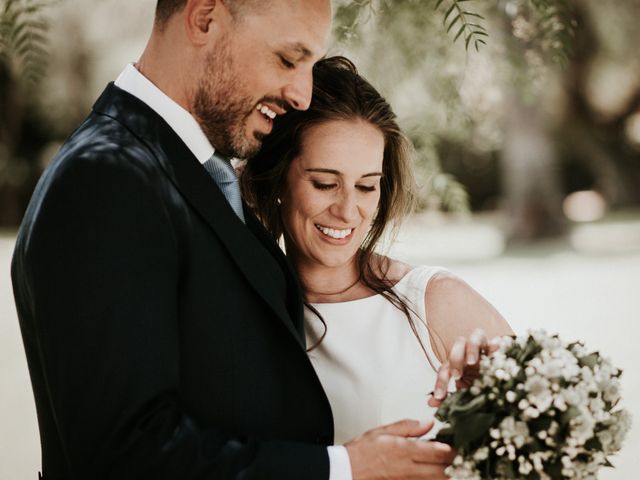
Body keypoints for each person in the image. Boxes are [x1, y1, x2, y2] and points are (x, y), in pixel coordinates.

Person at [11, 2, 456, 479]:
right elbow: (124, 455)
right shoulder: (104, 178)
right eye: (289, 60)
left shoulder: (199, 173)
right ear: (204, 18)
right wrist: (345, 468)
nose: (303, 95)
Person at [242, 56, 515, 449]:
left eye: (367, 186)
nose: (347, 210)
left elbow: (550, 431)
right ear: (277, 178)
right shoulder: (240, 306)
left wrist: (493, 397)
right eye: (324, 183)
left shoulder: (432, 302)